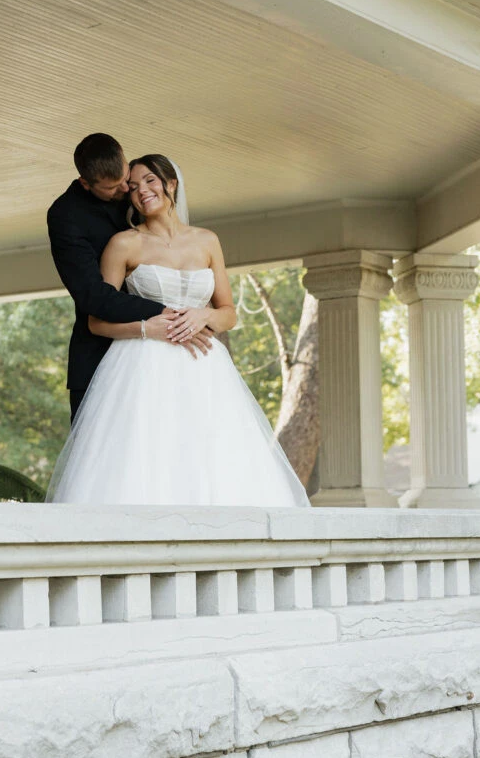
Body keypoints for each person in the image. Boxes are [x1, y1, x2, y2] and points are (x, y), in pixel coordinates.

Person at [46, 153, 310, 507]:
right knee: (146, 460)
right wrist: (147, 329)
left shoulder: (207, 241)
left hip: (204, 367)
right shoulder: (123, 244)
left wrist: (204, 317)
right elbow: (96, 320)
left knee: (212, 458)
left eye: (151, 181)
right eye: (134, 186)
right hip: (140, 366)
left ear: (171, 184)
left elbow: (228, 313)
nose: (142, 191)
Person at [47, 133, 211, 422]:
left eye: (127, 178)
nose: (127, 189)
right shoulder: (66, 217)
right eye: (114, 187)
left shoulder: (137, 194)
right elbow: (92, 296)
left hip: (174, 359)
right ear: (87, 184)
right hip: (100, 354)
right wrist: (166, 313)